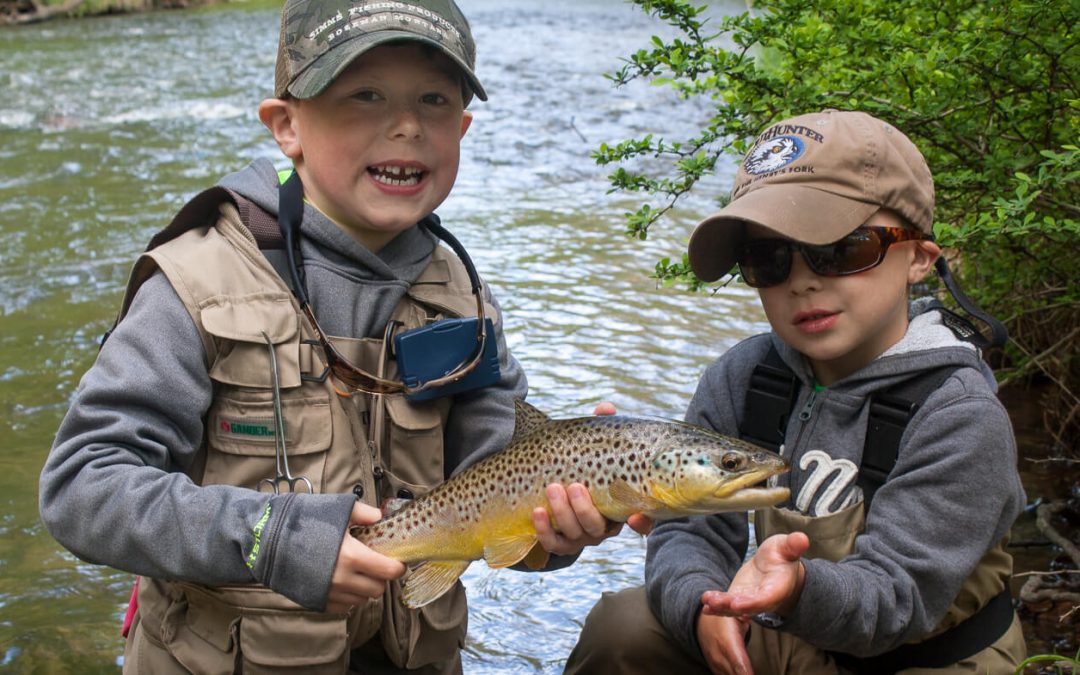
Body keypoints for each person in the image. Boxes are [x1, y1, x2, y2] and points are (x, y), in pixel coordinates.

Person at [38, 1, 627, 672]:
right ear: (285, 125)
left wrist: (562, 532)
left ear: (463, 128)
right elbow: (82, 488)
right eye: (365, 95)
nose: (406, 126)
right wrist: (270, 537)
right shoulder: (195, 278)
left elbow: (486, 499)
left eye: (434, 101)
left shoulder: (464, 300)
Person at [565, 109, 1027, 674]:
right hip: (794, 631)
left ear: (920, 260)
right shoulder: (742, 377)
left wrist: (796, 589)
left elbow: (897, 599)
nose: (803, 280)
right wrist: (705, 608)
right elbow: (691, 528)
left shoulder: (960, 414)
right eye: (770, 259)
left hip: (925, 655)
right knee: (624, 630)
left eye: (841, 250)